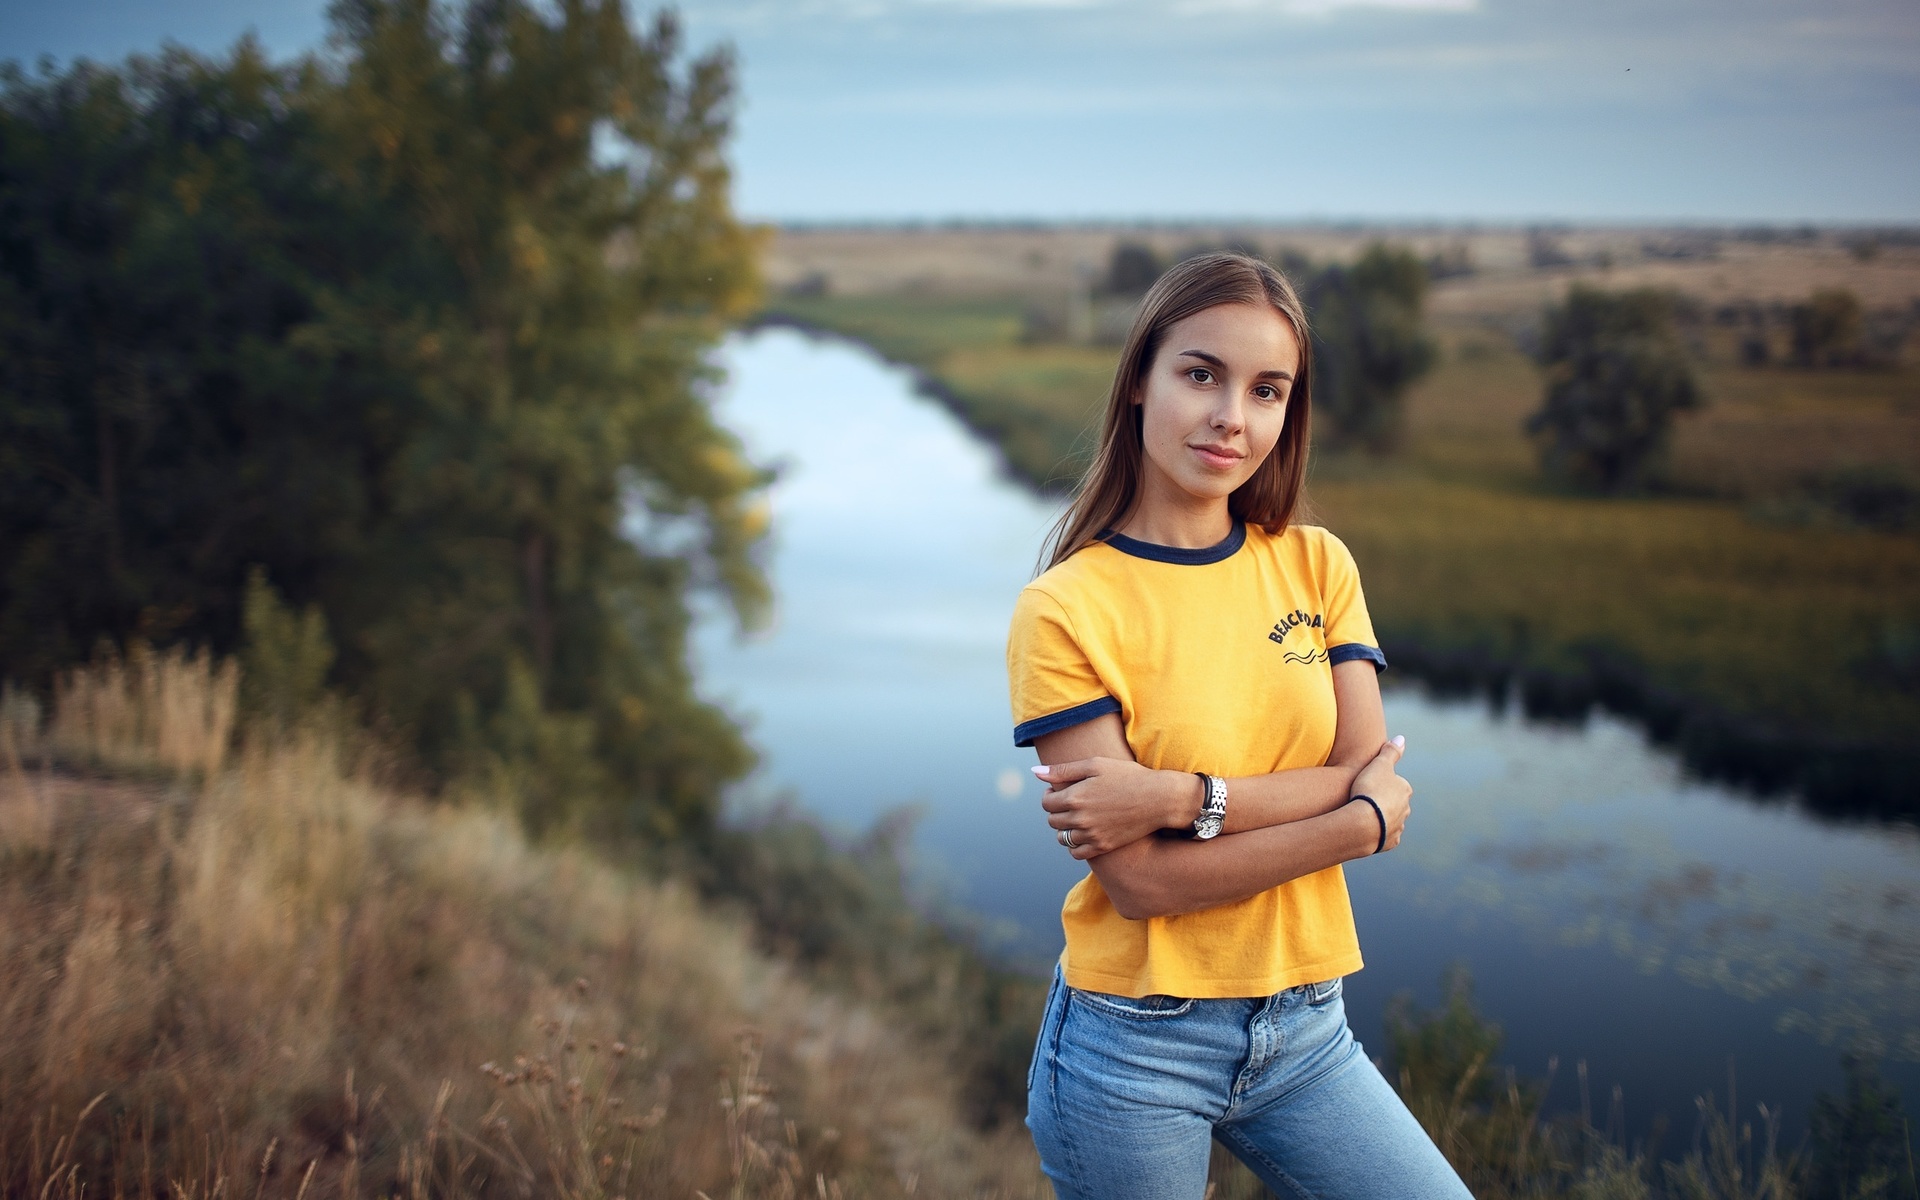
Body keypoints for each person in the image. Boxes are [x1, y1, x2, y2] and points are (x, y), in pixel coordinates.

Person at [1005, 252, 1471, 1199]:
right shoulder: (1064, 608)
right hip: (1134, 1048)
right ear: (1140, 379)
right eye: (1201, 374)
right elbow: (1139, 880)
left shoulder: (1317, 566)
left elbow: (1363, 758)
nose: (1232, 417)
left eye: (1268, 391)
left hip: (1306, 1027)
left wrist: (1177, 797)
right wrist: (1356, 825)